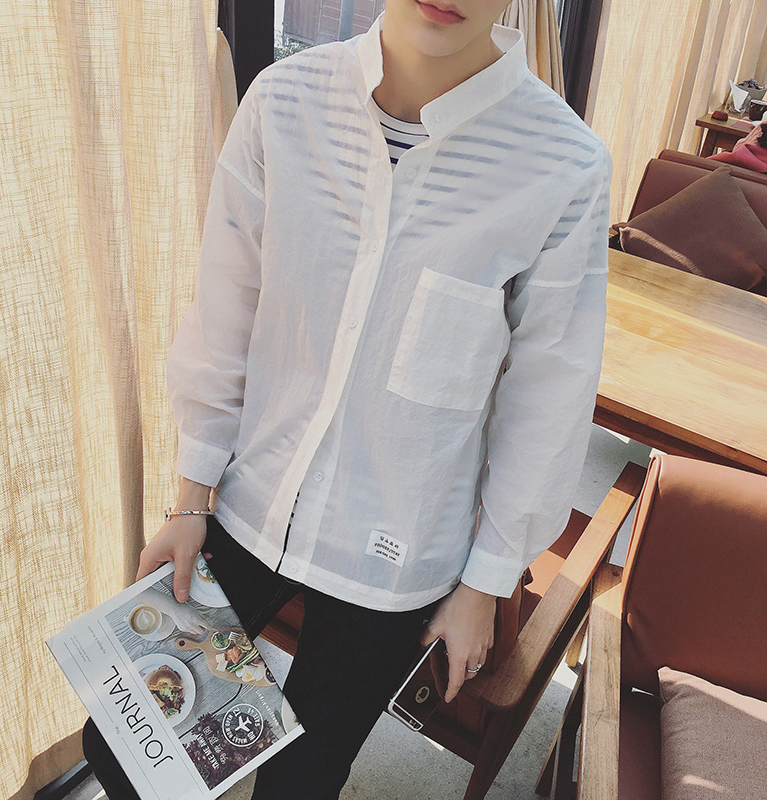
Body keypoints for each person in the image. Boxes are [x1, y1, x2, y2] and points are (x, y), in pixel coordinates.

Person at [82, 1, 612, 797]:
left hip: (399, 550)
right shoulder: (283, 101)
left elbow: (548, 397)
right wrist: (191, 497)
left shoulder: (564, 166)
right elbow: (227, 307)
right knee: (125, 748)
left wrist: (485, 583)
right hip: (251, 502)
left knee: (303, 780)